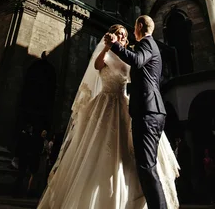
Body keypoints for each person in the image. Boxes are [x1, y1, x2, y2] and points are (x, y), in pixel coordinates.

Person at [37, 23, 179, 209]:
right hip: (106, 102)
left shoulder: (128, 55)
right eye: (118, 34)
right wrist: (107, 47)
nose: (121, 37)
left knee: (132, 153)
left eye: (123, 35)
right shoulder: (108, 53)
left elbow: (137, 69)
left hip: (126, 103)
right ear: (111, 35)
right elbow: (97, 65)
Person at [105, 15, 169, 209]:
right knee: (146, 165)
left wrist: (115, 46)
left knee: (147, 167)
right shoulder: (151, 45)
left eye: (134, 28)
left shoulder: (146, 44)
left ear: (140, 26)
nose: (133, 33)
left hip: (148, 110)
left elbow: (138, 61)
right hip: (152, 109)